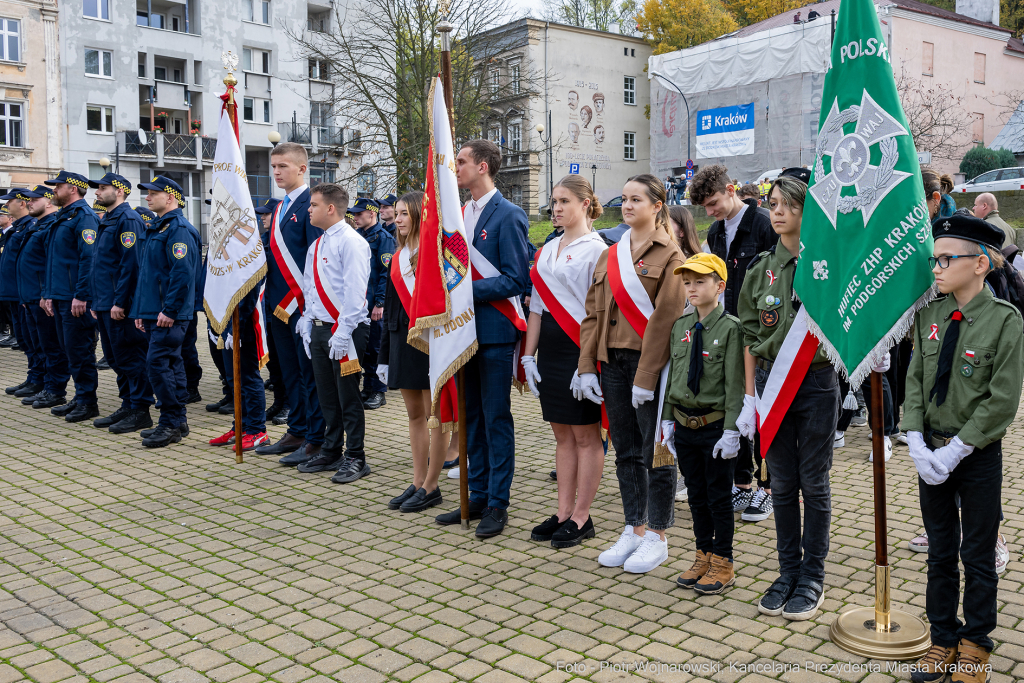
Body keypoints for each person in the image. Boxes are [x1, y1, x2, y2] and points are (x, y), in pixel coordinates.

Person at [905, 214, 1023, 683]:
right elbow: (914, 380)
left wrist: (957, 449)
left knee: (976, 553)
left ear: (979, 264)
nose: (935, 268)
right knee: (939, 550)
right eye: (935, 259)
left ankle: (975, 644)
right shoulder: (930, 315)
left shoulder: (1005, 321)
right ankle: (943, 639)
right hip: (930, 454)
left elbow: (1002, 399)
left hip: (974, 457)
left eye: (945, 259)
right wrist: (914, 438)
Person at [737, 174, 838, 621]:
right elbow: (747, 336)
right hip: (771, 387)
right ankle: (787, 570)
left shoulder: (829, 263)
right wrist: (747, 398)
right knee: (780, 484)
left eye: (787, 205)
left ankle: (812, 575)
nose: (776, 212)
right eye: (772, 204)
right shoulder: (761, 268)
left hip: (816, 385)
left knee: (813, 482)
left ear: (806, 210)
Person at [577, 173, 686, 573]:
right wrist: (587, 365)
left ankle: (657, 534)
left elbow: (666, 320)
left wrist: (646, 375)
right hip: (611, 364)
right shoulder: (611, 253)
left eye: (636, 199)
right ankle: (633, 526)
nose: (626, 205)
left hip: (648, 366)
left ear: (657, 206)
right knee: (624, 450)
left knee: (654, 450)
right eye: (623, 198)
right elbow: (594, 314)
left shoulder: (672, 257)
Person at [434, 139, 530, 539]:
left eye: (461, 161)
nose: (455, 168)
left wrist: (465, 292)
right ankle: (476, 492)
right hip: (463, 332)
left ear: (484, 167)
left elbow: (516, 278)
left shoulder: (508, 214)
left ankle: (497, 502)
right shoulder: (458, 214)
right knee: (470, 418)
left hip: (493, 331)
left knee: (494, 418)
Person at [690, 164, 778, 522]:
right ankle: (741, 483)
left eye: (713, 203)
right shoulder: (715, 230)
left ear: (731, 189)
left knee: (765, 408)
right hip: (729, 331)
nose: (710, 212)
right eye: (705, 208)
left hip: (762, 331)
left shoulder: (763, 223)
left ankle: (769, 488)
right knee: (735, 404)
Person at [523, 175, 607, 548]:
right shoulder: (548, 249)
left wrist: (586, 362)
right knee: (561, 435)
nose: (556, 209)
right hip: (551, 353)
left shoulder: (598, 250)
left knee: (587, 437)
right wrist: (528, 355)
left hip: (580, 351)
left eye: (564, 202)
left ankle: (582, 516)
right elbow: (538, 308)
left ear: (585, 204)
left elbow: (599, 312)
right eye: (554, 202)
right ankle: (561, 511)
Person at [659, 253, 744, 594]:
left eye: (700, 281)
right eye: (687, 282)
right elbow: (673, 378)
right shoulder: (681, 326)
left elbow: (735, 385)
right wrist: (666, 420)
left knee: (718, 497)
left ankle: (723, 561)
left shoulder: (731, 329)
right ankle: (703, 553)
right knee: (695, 495)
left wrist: (732, 430)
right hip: (684, 426)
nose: (691, 288)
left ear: (719, 286)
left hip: (714, 426)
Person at [255, 142, 326, 465]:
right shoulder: (282, 206)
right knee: (288, 372)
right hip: (277, 304)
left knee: (308, 374)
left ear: (301, 169)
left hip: (301, 305)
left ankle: (315, 437)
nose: (276, 172)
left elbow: (314, 260)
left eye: (282, 166)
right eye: (273, 167)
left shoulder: (311, 205)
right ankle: (297, 429)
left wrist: (310, 306)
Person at [297, 183, 373, 484]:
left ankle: (356, 455)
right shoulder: (317, 244)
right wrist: (307, 320)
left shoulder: (352, 243)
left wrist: (342, 333)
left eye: (313, 205)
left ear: (330, 208)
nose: (309, 210)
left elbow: (356, 294)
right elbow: (310, 288)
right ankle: (332, 449)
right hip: (319, 328)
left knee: (348, 396)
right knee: (326, 394)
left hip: (346, 330)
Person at [380, 191, 447, 512]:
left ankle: (433, 485)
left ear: (420, 214)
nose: (399, 219)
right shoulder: (396, 257)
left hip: (432, 343)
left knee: (436, 417)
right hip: (403, 343)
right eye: (397, 213)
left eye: (405, 213)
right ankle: (418, 480)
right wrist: (383, 356)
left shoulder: (435, 254)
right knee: (414, 416)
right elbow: (391, 308)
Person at [131, 176, 199, 447]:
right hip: (154, 310)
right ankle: (178, 420)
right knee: (171, 363)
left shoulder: (178, 229)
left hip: (170, 313)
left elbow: (182, 274)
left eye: (152, 193)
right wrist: (141, 309)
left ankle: (170, 422)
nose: (147, 198)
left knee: (158, 365)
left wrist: (170, 309)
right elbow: (149, 275)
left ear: (170, 197)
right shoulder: (159, 227)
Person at [87, 173, 154, 434]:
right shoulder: (110, 219)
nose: (97, 193)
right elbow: (101, 266)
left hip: (119, 305)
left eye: (103, 188)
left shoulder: (128, 219)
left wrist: (120, 302)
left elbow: (131, 265)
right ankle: (128, 404)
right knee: (116, 358)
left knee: (131, 357)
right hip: (105, 302)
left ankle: (141, 410)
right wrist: (97, 300)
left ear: (120, 191)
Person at [41, 171, 100, 423]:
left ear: (73, 189)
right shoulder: (64, 216)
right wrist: (47, 294)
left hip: (76, 298)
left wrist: (82, 295)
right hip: (61, 295)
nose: (54, 190)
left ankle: (88, 401)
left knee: (80, 351)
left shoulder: (84, 217)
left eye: (58, 186)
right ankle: (80, 396)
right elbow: (53, 261)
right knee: (68, 349)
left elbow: (89, 259)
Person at [17, 186, 70, 409]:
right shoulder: (39, 225)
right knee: (39, 344)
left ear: (48, 202)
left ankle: (54, 389)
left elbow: (51, 264)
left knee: (51, 346)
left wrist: (44, 293)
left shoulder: (50, 226)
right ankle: (43, 383)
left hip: (43, 297)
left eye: (34, 200)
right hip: (31, 296)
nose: (29, 203)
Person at [208, 279, 269, 452]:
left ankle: (257, 430)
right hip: (226, 318)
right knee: (234, 378)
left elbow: (250, 287)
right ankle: (241, 427)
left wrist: (237, 324)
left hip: (244, 321)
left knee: (248, 377)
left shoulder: (248, 251)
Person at [348, 197, 395, 411]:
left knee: (376, 348)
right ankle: (367, 388)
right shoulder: (357, 236)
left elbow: (387, 273)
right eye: (354, 214)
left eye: (359, 214)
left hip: (374, 303)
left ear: (372, 214)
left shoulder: (383, 238)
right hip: (359, 303)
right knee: (365, 349)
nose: (355, 218)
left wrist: (380, 303)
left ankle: (378, 390)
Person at [0, 188, 42, 397]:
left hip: (23, 294)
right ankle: (33, 377)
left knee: (34, 340)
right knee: (26, 340)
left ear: (23, 203)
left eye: (10, 201)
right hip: (14, 293)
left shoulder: (29, 227)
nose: (7, 205)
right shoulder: (18, 228)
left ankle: (39, 380)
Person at [253, 198, 288, 424]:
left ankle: (290, 406)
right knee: (273, 361)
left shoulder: (281, 242)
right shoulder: (263, 240)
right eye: (262, 215)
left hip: (281, 307)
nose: (262, 218)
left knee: (286, 363)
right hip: (265, 308)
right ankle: (279, 402)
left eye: (267, 214)